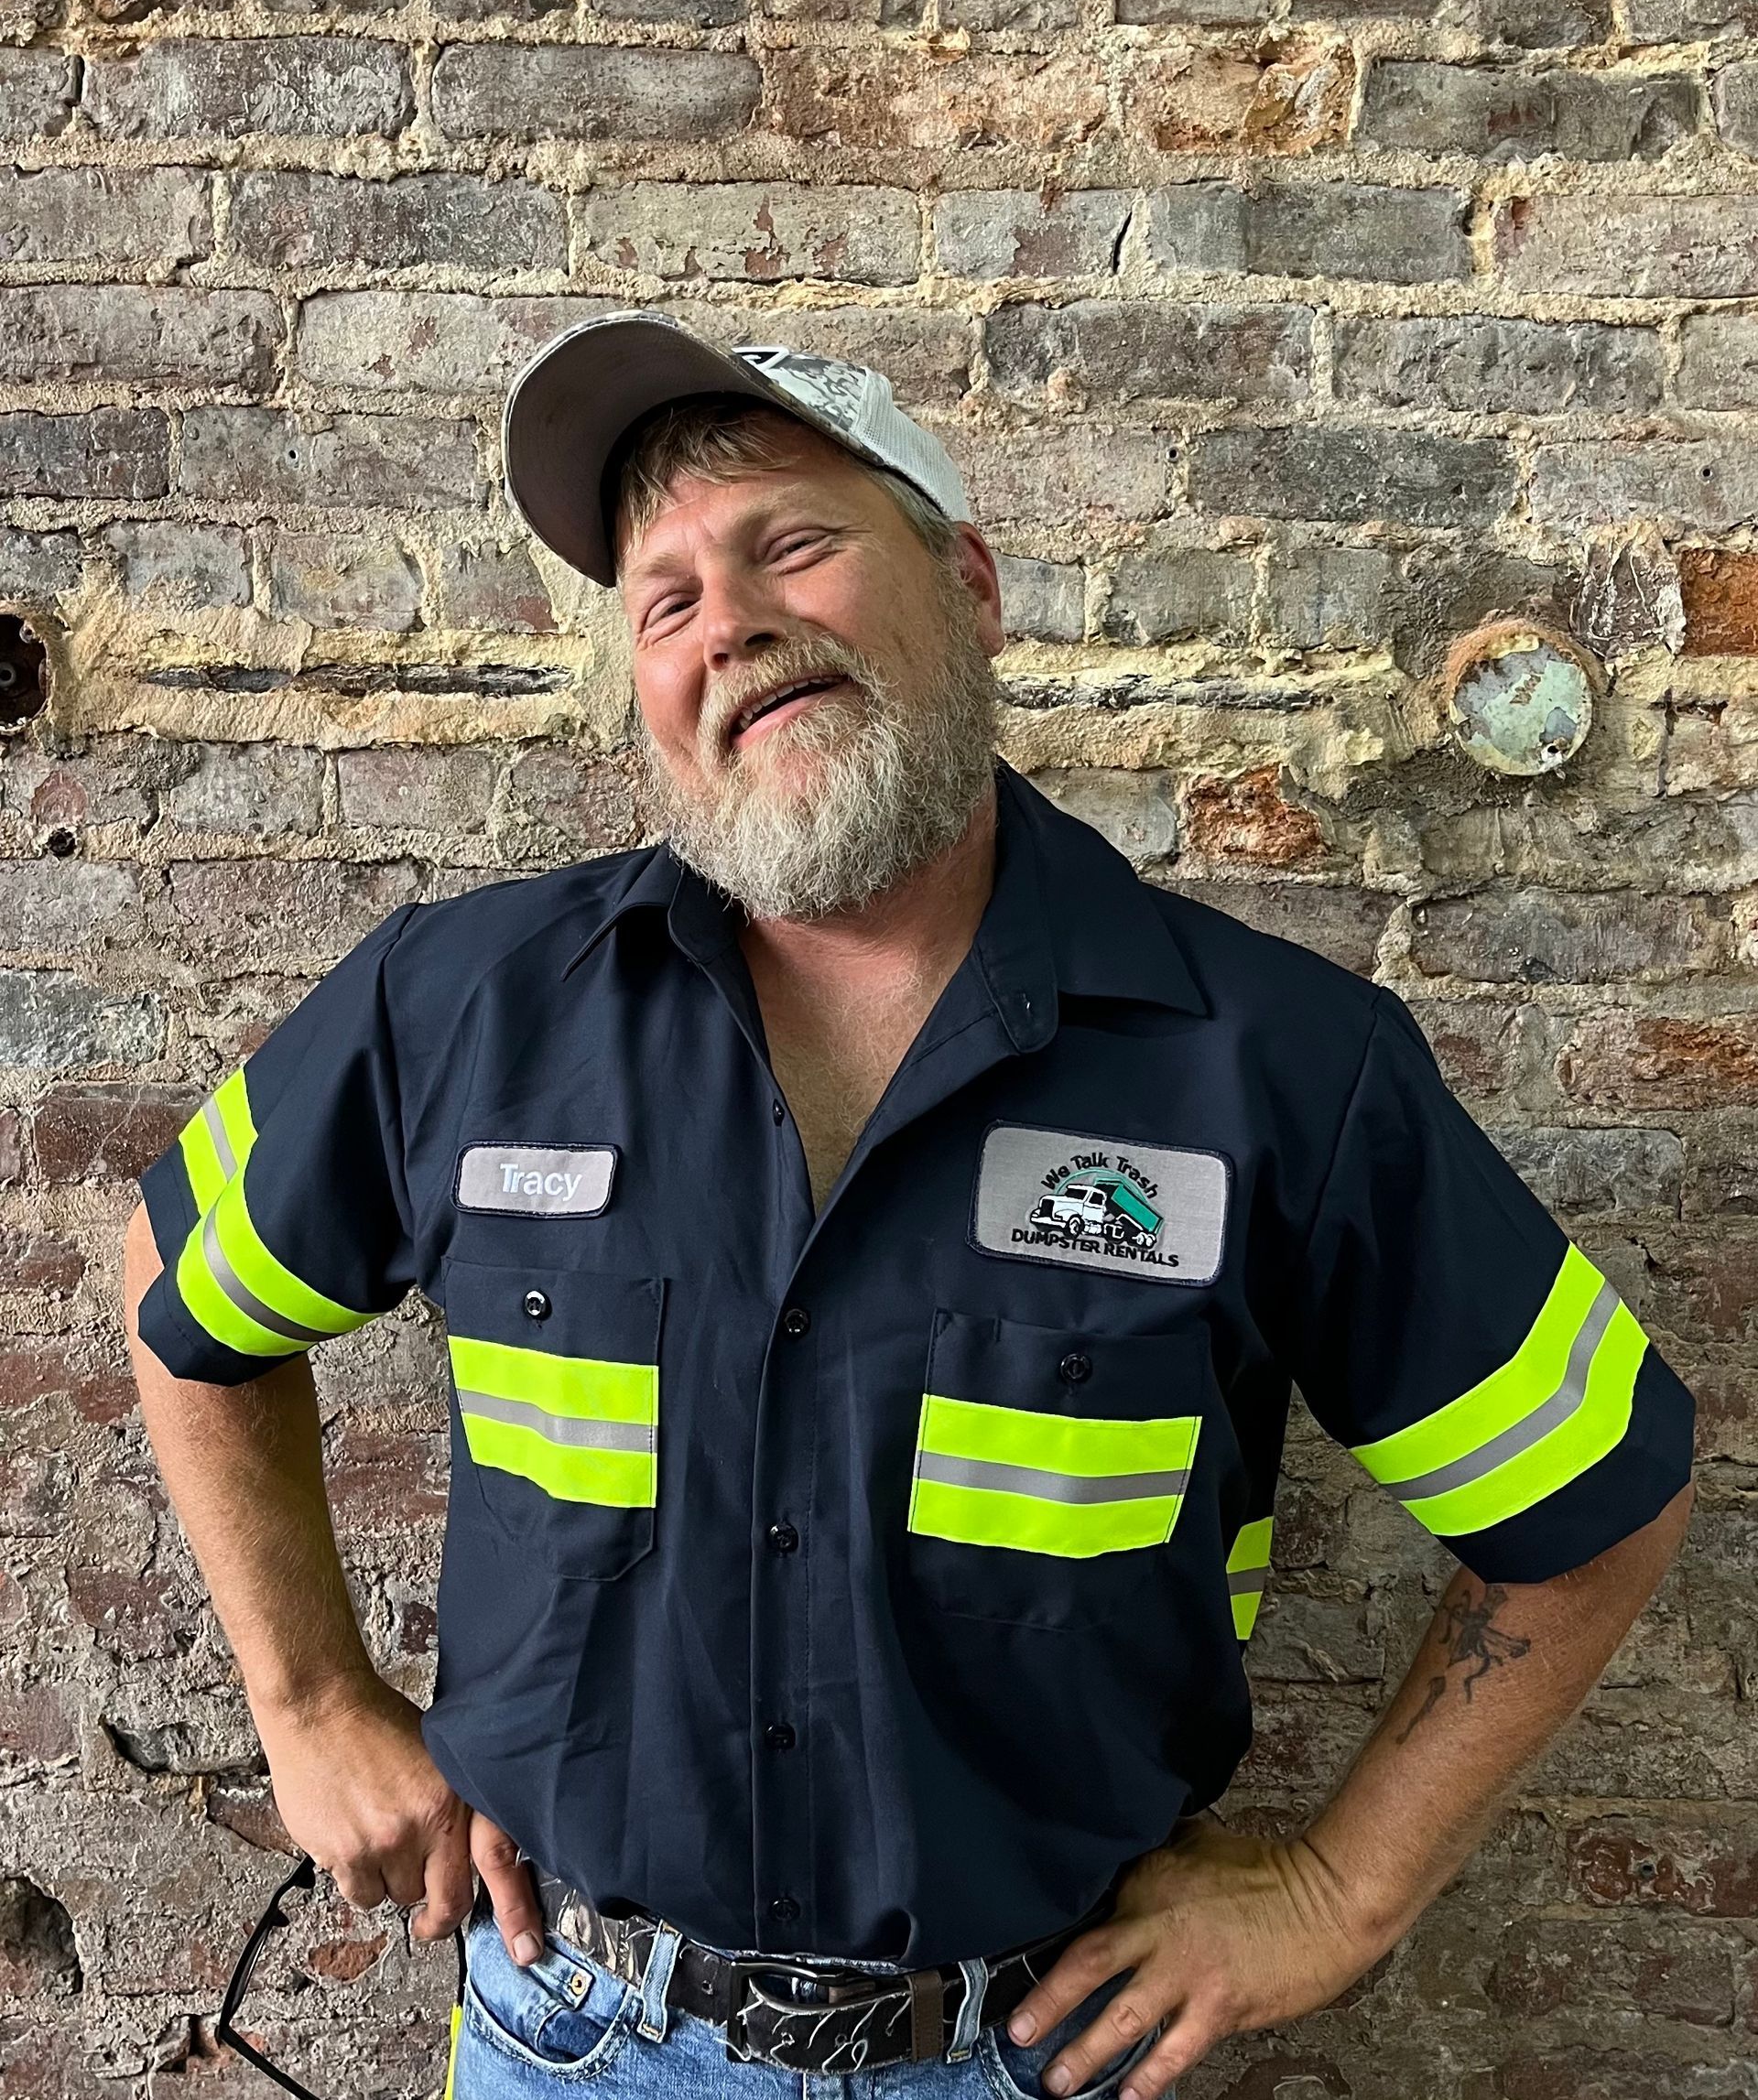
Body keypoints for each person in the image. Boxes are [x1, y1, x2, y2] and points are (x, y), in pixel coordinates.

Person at [124, 311, 1698, 2100]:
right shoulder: (466, 1011)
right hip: (571, 2036)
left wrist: (1344, 1891)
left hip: (1019, 2056)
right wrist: (312, 1706)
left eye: (792, 541)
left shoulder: (1273, 1071)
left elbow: (1593, 1499)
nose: (729, 619)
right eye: (665, 597)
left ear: (968, 584)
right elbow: (185, 1297)